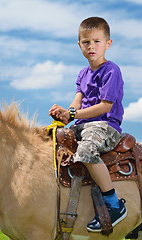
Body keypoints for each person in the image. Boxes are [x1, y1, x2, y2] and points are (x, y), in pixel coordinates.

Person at [49, 17, 127, 232]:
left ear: (108, 44)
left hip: (105, 126)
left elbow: (104, 106)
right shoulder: (83, 73)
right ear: (79, 45)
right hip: (82, 124)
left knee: (85, 151)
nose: (91, 46)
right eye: (86, 42)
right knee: (49, 140)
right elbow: (77, 101)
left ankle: (113, 204)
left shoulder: (111, 71)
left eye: (97, 41)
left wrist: (73, 113)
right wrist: (64, 114)